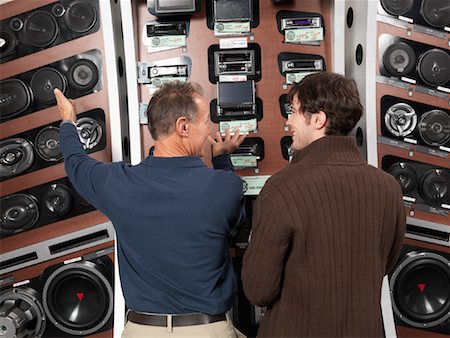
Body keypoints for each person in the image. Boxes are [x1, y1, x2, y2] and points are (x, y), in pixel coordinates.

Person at [54, 81, 247, 337]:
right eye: (205, 122)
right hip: (206, 330)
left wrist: (68, 121)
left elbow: (75, 164)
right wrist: (222, 159)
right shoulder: (225, 187)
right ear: (183, 126)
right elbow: (234, 224)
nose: (208, 130)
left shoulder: (117, 183)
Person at [241, 72, 406, 337]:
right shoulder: (388, 187)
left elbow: (258, 290)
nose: (288, 121)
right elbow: (382, 265)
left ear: (318, 119)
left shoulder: (283, 187)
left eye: (293, 112)